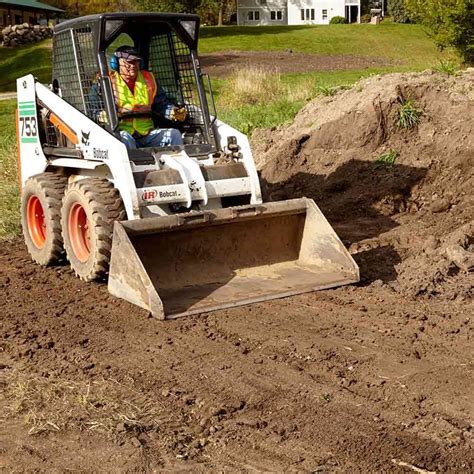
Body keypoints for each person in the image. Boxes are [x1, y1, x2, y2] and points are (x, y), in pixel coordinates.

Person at [106, 45, 186, 150]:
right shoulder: (107, 81)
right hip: (122, 133)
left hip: (147, 133)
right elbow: (94, 107)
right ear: (115, 63)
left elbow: (161, 104)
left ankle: (178, 164)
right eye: (128, 63)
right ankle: (134, 165)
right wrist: (102, 115)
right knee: (125, 138)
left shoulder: (149, 79)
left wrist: (172, 112)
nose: (133, 66)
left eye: (136, 62)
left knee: (174, 134)